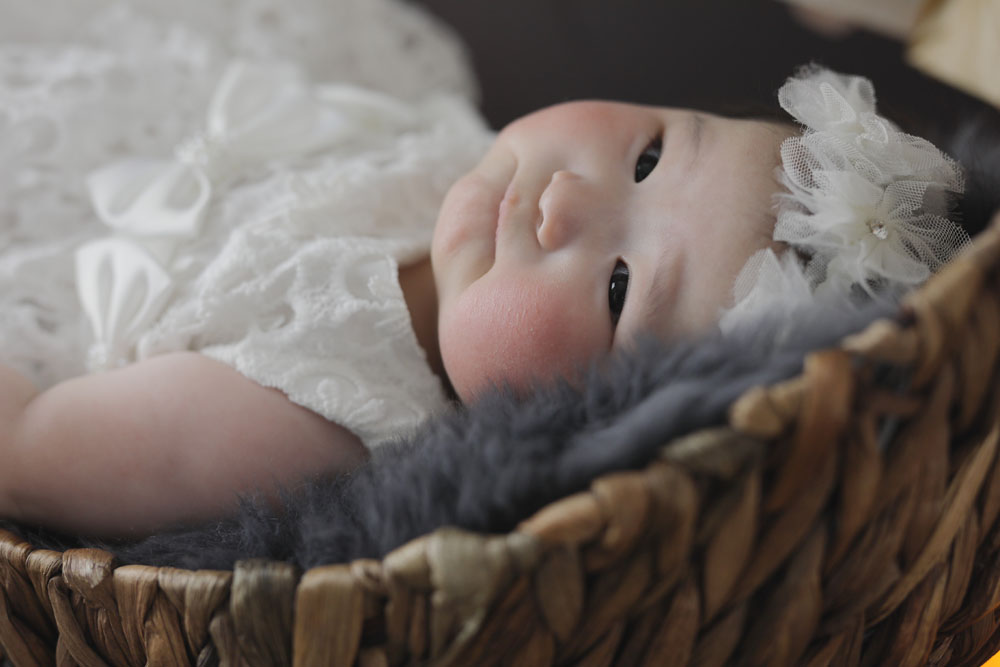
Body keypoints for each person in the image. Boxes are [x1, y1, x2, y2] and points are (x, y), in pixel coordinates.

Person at [0, 3, 973, 538]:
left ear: (585, 427)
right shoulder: (468, 152)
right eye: (648, 154)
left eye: (619, 289)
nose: (565, 202)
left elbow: (28, 444)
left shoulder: (299, 410)